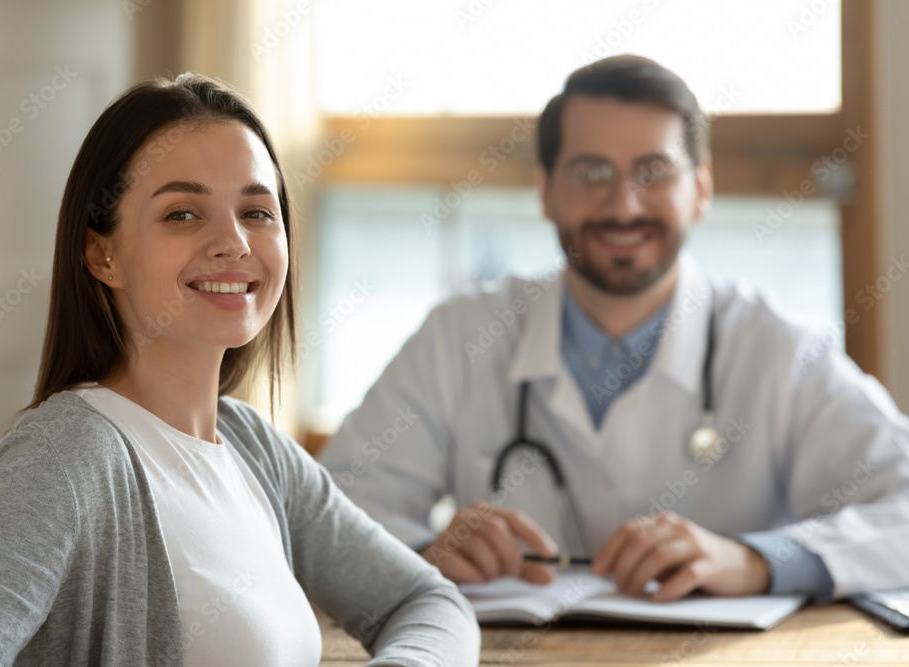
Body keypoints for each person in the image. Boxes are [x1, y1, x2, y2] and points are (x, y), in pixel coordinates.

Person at [0, 74, 479, 666]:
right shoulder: (63, 455)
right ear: (102, 255)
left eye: (257, 212)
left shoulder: (254, 449)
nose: (232, 242)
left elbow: (428, 602)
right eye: (183, 214)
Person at [319, 55, 909, 603]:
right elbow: (328, 516)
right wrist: (426, 554)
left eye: (653, 172)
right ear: (546, 192)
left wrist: (755, 560)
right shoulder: (460, 336)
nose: (623, 205)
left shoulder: (782, 352)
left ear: (700, 189)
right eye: (590, 172)